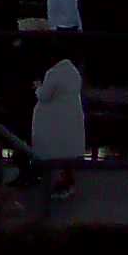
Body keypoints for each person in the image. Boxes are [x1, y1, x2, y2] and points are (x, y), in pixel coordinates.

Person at [29, 52, 87, 197]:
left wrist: (37, 87)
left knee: (54, 151)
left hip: (56, 120)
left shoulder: (53, 73)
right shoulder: (74, 71)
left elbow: (44, 95)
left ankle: (58, 185)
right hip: (71, 118)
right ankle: (67, 183)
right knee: (67, 153)